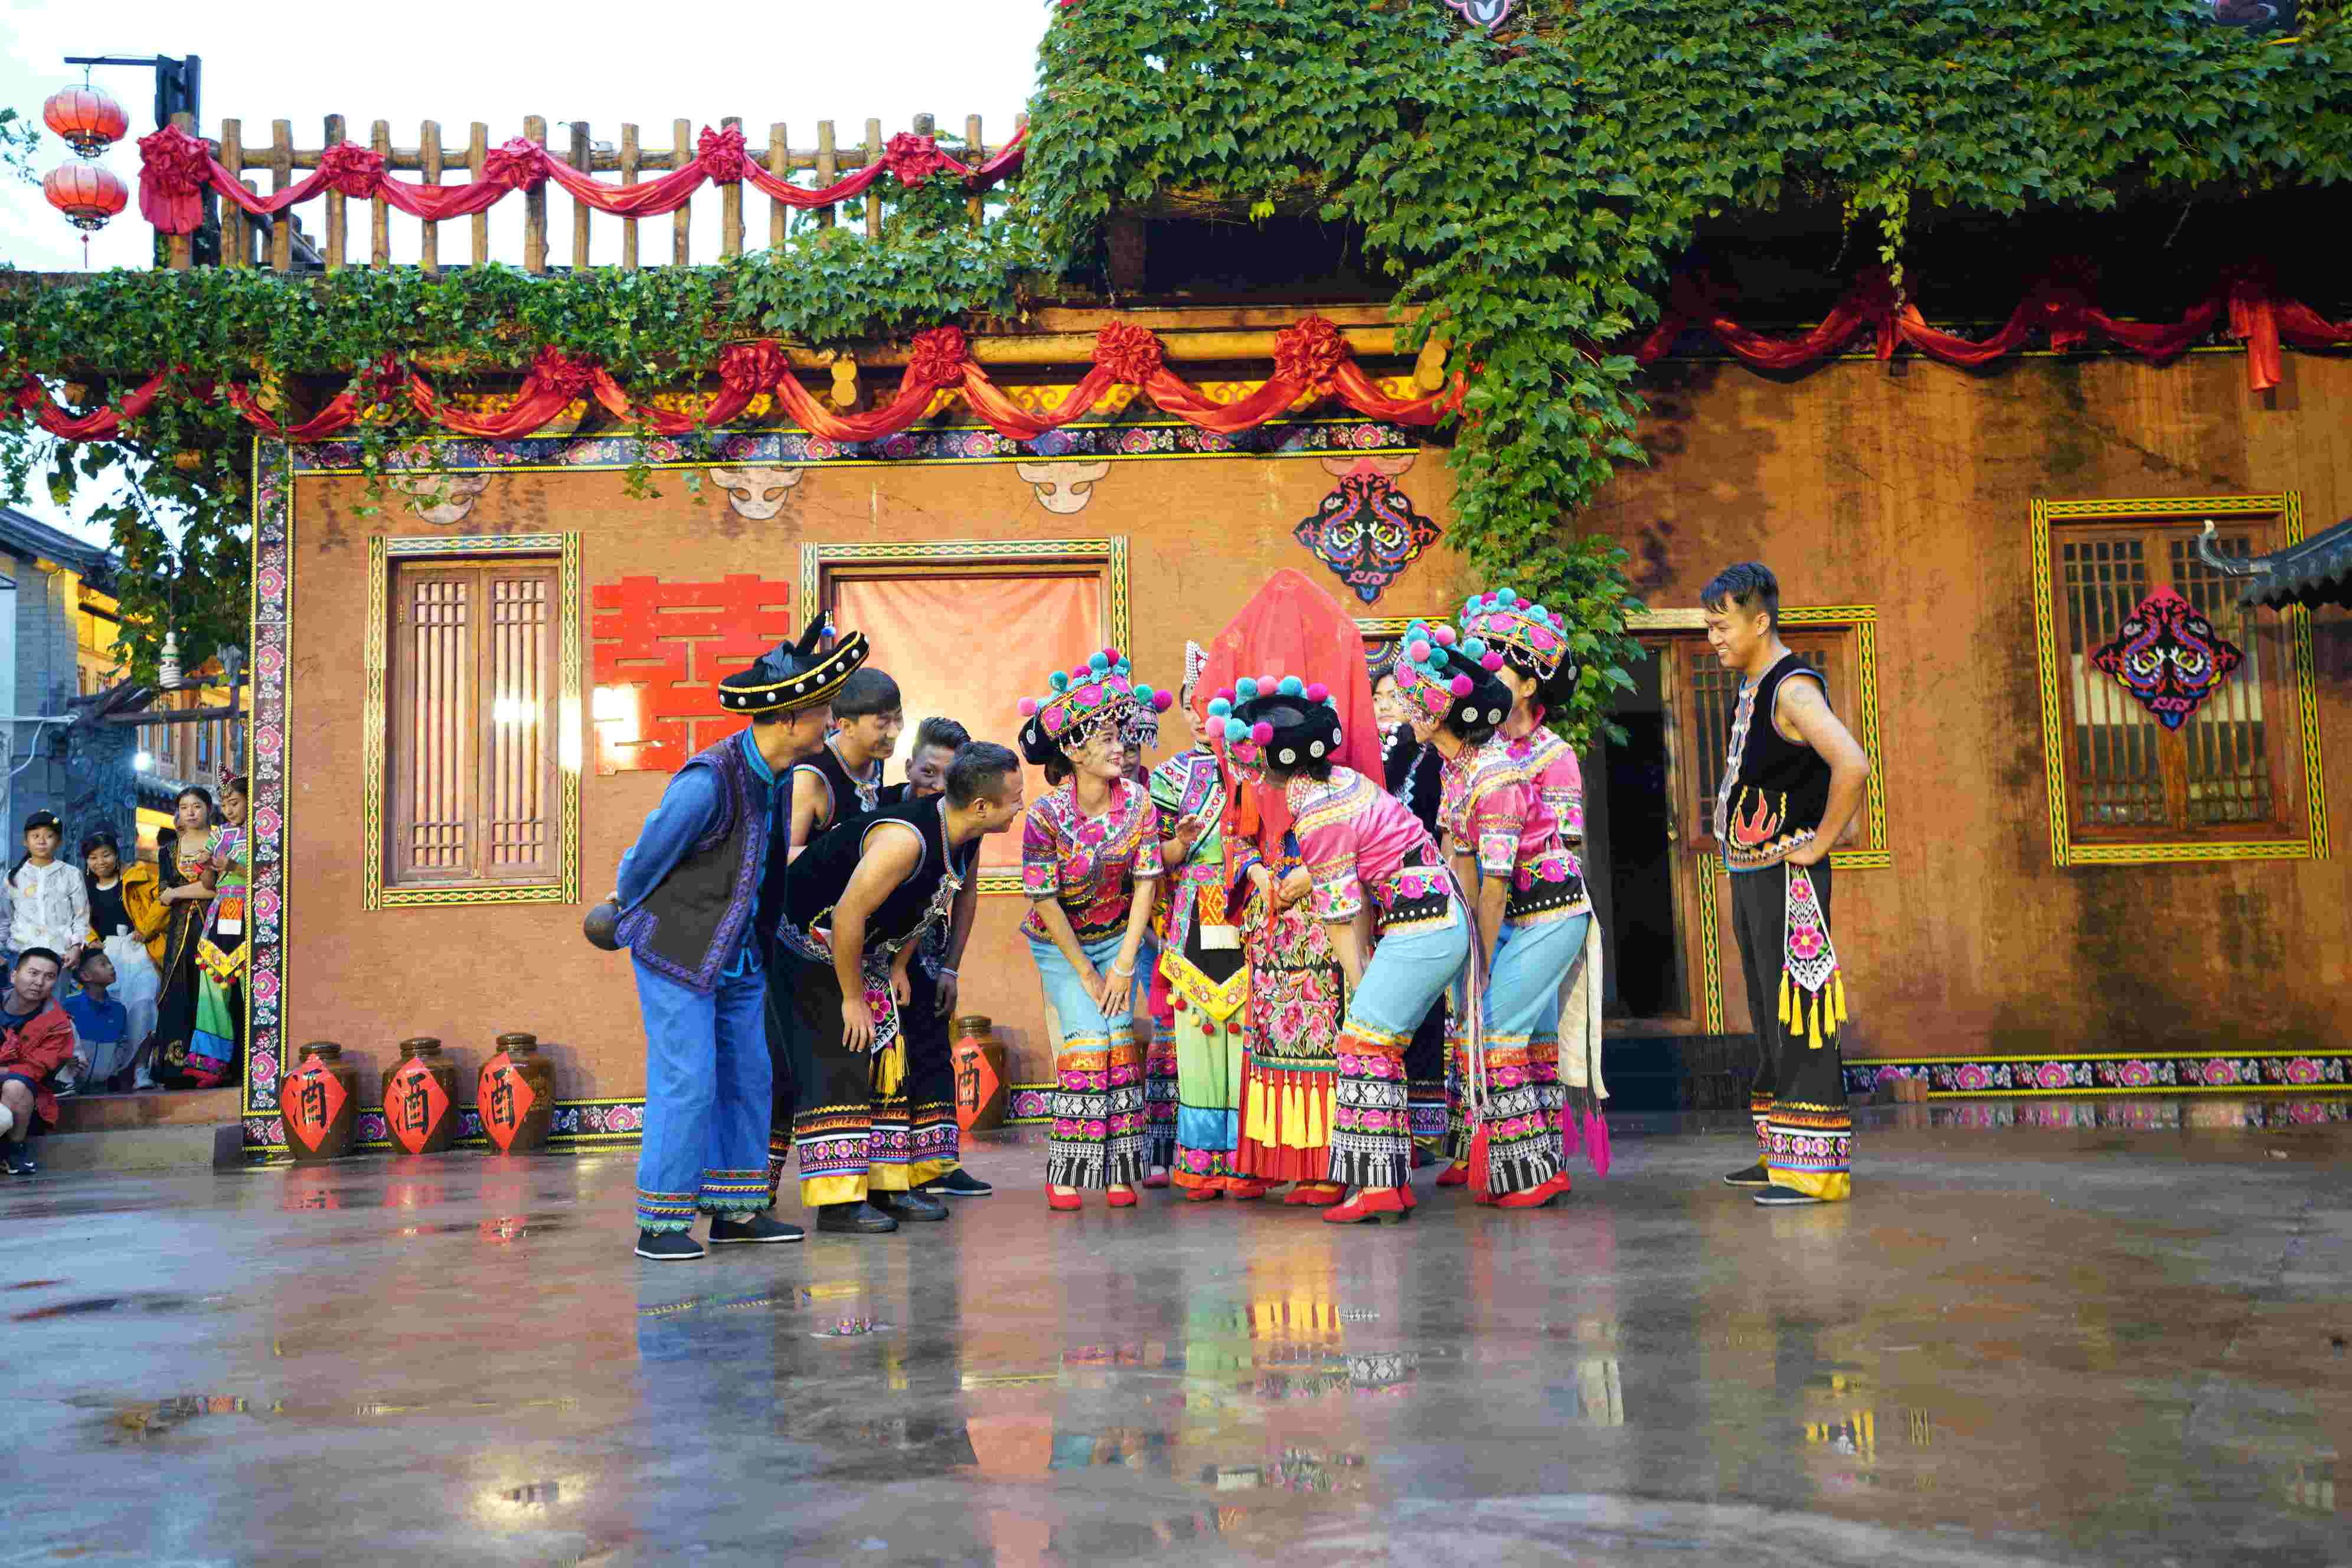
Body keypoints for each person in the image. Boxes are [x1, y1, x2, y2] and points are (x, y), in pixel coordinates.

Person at [615, 616, 869, 1261]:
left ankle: (736, 1211)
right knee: (688, 1081)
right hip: (677, 953)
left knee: (749, 1077)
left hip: (739, 958)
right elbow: (642, 862)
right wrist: (620, 910)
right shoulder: (708, 781)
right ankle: (660, 1224)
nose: (830, 724)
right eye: (823, 714)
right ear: (787, 719)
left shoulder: (780, 777)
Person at [1214, 676, 1470, 1224]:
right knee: (1378, 1044)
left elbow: (1338, 911)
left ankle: (1378, 1189)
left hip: (1423, 924)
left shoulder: (1317, 813)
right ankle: (1389, 1185)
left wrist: (1358, 981)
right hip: (1428, 917)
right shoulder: (1341, 781)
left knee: (1361, 1041)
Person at [774, 742, 1027, 1233]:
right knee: (843, 1056)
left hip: (861, 952)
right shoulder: (904, 841)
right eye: (1015, 798)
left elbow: (922, 904)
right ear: (981, 806)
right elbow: (848, 915)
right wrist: (852, 999)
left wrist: (899, 967)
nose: (1020, 805)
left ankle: (887, 1187)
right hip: (807, 947)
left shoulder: (962, 835)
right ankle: (839, 1203)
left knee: (891, 1057)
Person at [1393, 623, 1583, 1207]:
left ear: (1436, 714)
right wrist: (1467, 945)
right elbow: (1464, 862)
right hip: (1520, 915)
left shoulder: (1494, 778)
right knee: (1493, 1031)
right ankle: (1522, 1163)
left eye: (1411, 702)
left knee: (1498, 1031)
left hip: (1547, 914)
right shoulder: (1458, 769)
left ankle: (1535, 1174)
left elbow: (1496, 884)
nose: (1404, 713)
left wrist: (1479, 958)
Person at [1701, 563, 1870, 1206]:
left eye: (1722, 626)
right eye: (1710, 627)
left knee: (1801, 1012)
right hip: (1755, 874)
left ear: (1761, 620)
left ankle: (1814, 1171)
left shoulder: (1793, 690)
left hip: (1788, 879)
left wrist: (1821, 842)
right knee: (1771, 1014)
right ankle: (1783, 1155)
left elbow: (1852, 764)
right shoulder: (1754, 686)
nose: (1714, 639)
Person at [1460, 589, 1609, 1165]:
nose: (1484, 678)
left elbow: (1565, 850)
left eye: (1496, 669)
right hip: (1491, 905)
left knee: (1523, 1033)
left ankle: (1534, 1161)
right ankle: (1480, 1151)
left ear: (1526, 686)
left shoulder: (1555, 756)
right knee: (1482, 1025)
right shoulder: (1477, 746)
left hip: (1537, 911)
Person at [1016, 651, 1169, 1210]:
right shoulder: (1045, 816)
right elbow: (1045, 900)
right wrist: (1085, 972)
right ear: (1074, 750)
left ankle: (1118, 1171)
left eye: (1120, 737)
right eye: (1106, 739)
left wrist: (1124, 967)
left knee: (1121, 1041)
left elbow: (1146, 884)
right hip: (1061, 946)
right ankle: (1068, 1169)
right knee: (1088, 1040)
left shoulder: (1140, 804)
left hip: (1117, 939)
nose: (1119, 748)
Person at [1148, 646, 1265, 1201]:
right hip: (1194, 912)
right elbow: (1154, 860)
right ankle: (1200, 1162)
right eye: (1193, 704)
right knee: (1198, 1040)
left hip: (1247, 906)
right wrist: (1181, 843)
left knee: (1247, 1037)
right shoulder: (1169, 776)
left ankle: (1245, 1162)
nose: (1201, 715)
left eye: (1211, 702)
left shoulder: (1256, 768)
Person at [876, 717, 993, 1200]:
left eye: (950, 777)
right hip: (871, 946)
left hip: (926, 945)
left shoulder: (967, 824)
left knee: (931, 1047)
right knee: (884, 1053)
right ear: (909, 766)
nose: (937, 786)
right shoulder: (880, 807)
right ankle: (885, 1171)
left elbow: (966, 893)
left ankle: (938, 1165)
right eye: (928, 772)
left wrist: (950, 967)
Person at [1371, 645, 1448, 1164]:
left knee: (1424, 1006)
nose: (1384, 705)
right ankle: (1388, 1121)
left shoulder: (1431, 755)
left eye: (1395, 696)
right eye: (1378, 697)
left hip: (1422, 891)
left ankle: (1423, 1128)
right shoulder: (1364, 757)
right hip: (1377, 898)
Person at [145, 788, 223, 1089]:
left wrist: (179, 892)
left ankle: (216, 1065)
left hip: (216, 926)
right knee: (178, 989)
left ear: (209, 809)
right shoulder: (168, 851)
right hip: (179, 933)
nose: (191, 812)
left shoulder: (222, 842)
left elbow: (219, 889)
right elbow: (163, 893)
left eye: (197, 806)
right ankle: (175, 1067)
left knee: (214, 989)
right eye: (184, 807)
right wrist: (178, 893)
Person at [80, 829, 165, 1089]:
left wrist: (146, 928)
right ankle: (112, 1071)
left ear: (117, 855)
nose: (101, 862)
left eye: (106, 855)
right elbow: (78, 920)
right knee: (114, 1008)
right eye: (93, 857)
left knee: (144, 1002)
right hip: (106, 955)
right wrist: (91, 941)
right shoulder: (83, 888)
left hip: (140, 949)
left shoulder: (138, 876)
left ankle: (141, 1069)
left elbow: (163, 902)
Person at [186, 776, 253, 1090]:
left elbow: (272, 872)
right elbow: (210, 885)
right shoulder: (219, 835)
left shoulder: (264, 832)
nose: (229, 810)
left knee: (253, 988)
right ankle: (211, 1064)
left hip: (254, 910)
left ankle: (261, 1061)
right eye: (224, 805)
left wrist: (235, 867)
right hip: (223, 910)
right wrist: (208, 867)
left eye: (235, 803)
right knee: (212, 985)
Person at [0, 949, 76, 1175]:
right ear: (14, 975)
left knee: (17, 1085)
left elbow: (34, 1069)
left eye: (49, 977)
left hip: (23, 1101)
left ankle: (14, 1149)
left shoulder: (58, 1024)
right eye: (33, 973)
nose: (39, 982)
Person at [9, 812, 87, 980]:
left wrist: (76, 947)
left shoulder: (71, 874)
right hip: (21, 954)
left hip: (61, 955)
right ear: (25, 841)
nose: (42, 841)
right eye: (35, 836)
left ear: (59, 842)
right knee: (22, 996)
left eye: (49, 836)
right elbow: (5, 918)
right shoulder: (13, 877)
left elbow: (81, 917)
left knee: (55, 997)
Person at [61, 949, 130, 1096]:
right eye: (103, 964)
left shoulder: (119, 1009)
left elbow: (123, 1043)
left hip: (102, 1089)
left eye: (110, 963)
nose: (111, 967)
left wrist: (112, 1066)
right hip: (68, 1089)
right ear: (85, 976)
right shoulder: (68, 1005)